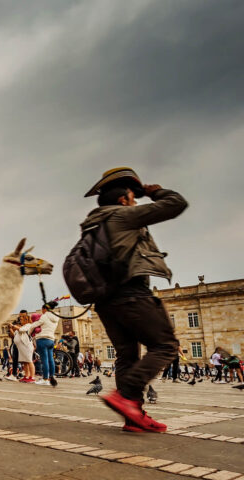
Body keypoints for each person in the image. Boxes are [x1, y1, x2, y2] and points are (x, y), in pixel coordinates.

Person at [80, 167, 187, 432]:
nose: (136, 202)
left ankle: (133, 416)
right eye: (133, 197)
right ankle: (125, 395)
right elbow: (176, 204)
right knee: (166, 346)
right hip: (131, 294)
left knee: (127, 357)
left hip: (106, 302)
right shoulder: (122, 217)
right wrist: (156, 192)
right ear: (123, 200)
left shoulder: (94, 224)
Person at [22, 302, 60, 386]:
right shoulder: (56, 317)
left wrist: (29, 333)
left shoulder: (45, 316)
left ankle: (45, 378)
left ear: (45, 309)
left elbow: (34, 325)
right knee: (50, 359)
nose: (42, 311)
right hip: (51, 340)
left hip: (42, 339)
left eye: (42, 309)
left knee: (44, 360)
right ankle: (51, 377)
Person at [11, 313, 35, 382]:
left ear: (26, 319)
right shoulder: (22, 326)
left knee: (29, 361)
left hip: (27, 346)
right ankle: (26, 376)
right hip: (22, 348)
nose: (20, 321)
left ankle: (32, 377)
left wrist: (14, 326)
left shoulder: (28, 325)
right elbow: (15, 334)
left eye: (21, 319)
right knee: (25, 362)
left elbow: (21, 330)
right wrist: (12, 328)